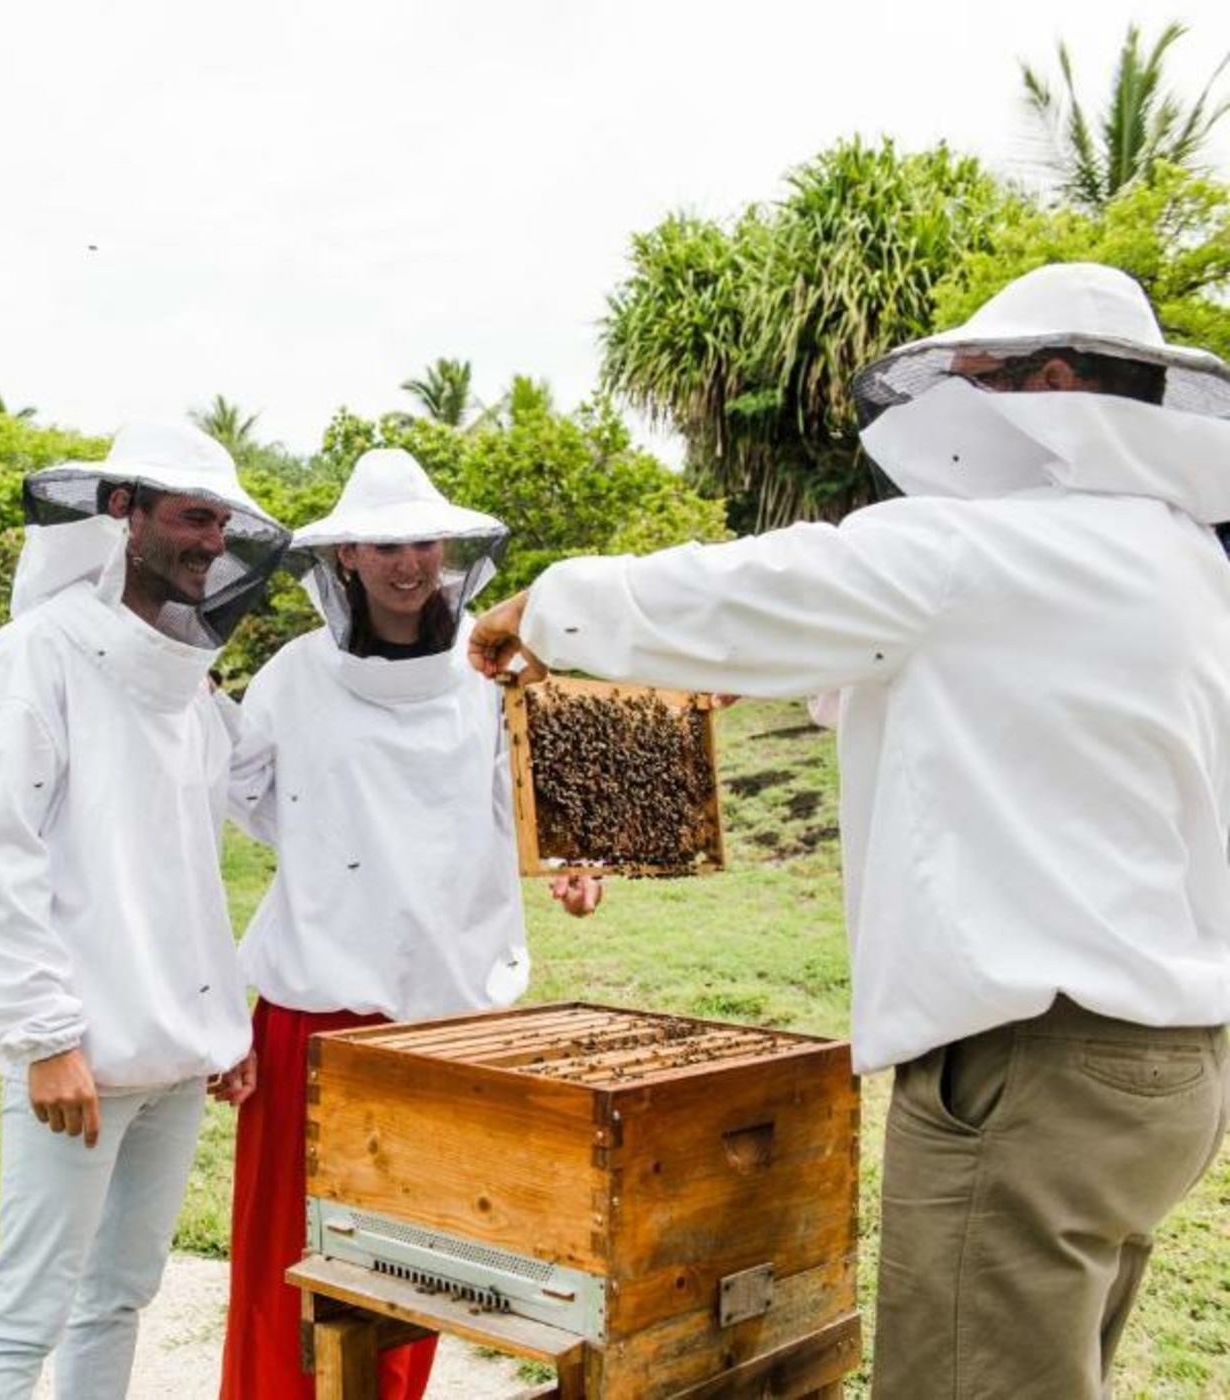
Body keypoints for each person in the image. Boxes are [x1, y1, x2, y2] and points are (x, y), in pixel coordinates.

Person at [467, 263, 1230, 1398]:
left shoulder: (978, 551)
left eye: (981, 380)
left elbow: (776, 580)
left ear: (1055, 383)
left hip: (1029, 1067)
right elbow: (969, 689)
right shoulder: (1178, 563)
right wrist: (761, 678)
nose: (959, 413)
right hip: (1161, 1071)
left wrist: (549, 605)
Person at [219, 448, 601, 1400]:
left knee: (420, 1278)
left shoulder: (496, 667)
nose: (406, 563)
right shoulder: (293, 676)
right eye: (382, 545)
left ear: (448, 549)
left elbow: (528, 800)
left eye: (421, 541)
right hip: (317, 1015)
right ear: (344, 556)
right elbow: (251, 796)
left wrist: (570, 857)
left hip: (452, 1017)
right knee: (288, 1274)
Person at [0, 422, 290, 1398]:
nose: (210, 542)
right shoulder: (33, 658)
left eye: (220, 521)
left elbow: (190, 869)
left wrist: (215, 1023)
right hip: (77, 1057)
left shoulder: (189, 687)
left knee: (120, 1293)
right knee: (26, 1308)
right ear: (121, 514)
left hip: (173, 1061)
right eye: (190, 516)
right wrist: (46, 1034)